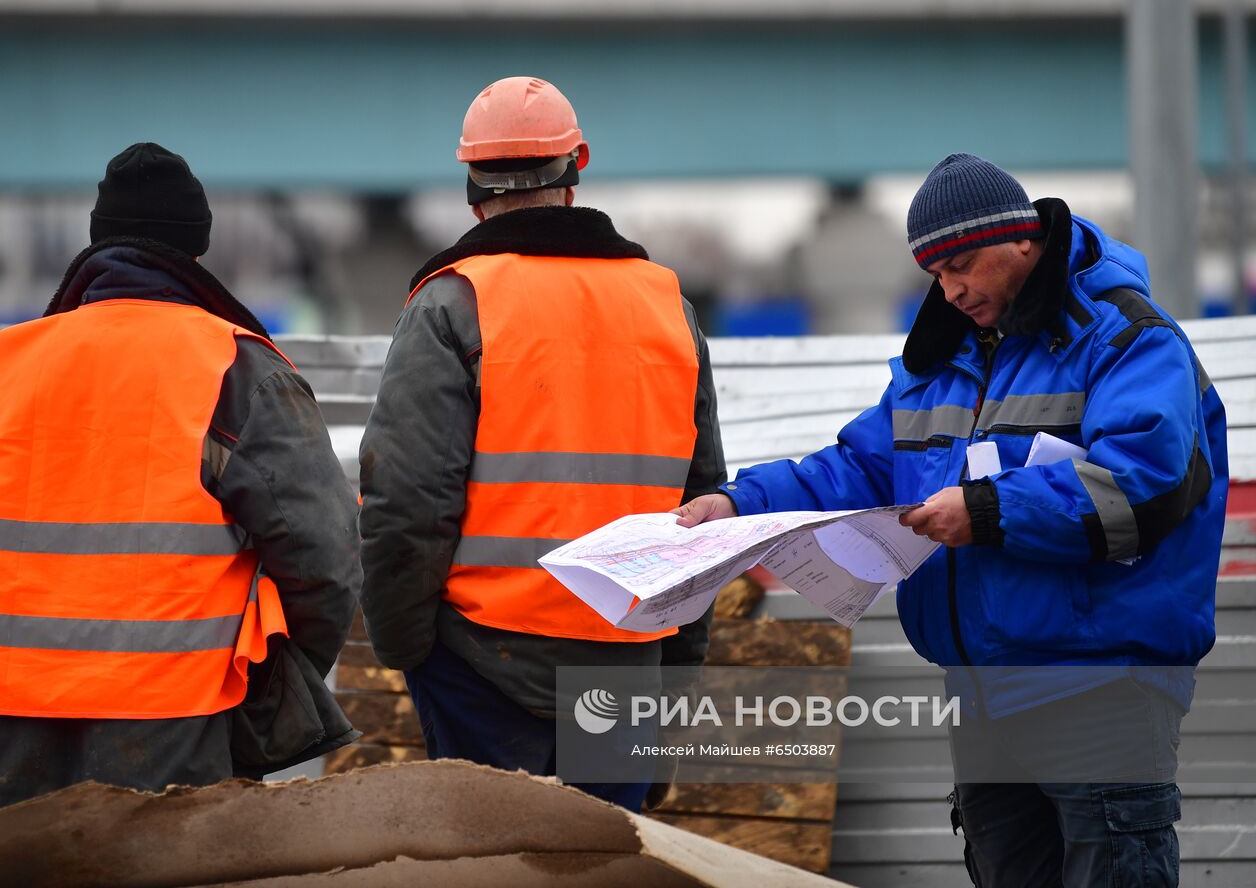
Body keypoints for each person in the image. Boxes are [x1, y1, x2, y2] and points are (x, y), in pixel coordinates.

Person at [676, 154, 1227, 887]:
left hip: (1101, 692)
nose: (952, 289)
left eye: (964, 264)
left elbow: (1145, 488)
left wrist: (986, 510)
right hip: (981, 694)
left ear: (1023, 241)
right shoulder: (938, 365)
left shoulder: (1129, 341)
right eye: (936, 274)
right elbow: (856, 468)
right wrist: (739, 501)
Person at [0, 142, 363, 815]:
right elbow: (327, 563)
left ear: (98, 244)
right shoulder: (237, 370)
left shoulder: (11, 368)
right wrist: (271, 690)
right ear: (195, 252)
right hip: (174, 735)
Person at [358, 76, 726, 813]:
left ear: (471, 184)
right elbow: (705, 506)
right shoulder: (666, 306)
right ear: (577, 164)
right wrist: (676, 662)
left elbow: (406, 499)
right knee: (607, 864)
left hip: (481, 662)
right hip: (627, 660)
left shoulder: (452, 302)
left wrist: (404, 648)